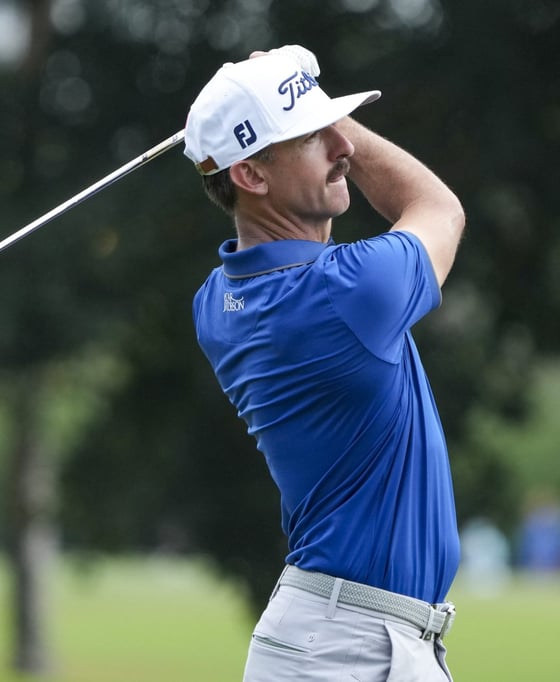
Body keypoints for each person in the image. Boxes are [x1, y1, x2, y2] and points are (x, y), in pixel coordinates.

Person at [185, 45, 466, 681]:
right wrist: (303, 96)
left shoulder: (217, 303)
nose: (344, 146)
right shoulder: (348, 294)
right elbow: (439, 208)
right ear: (252, 176)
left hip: (349, 637)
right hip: (349, 647)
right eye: (316, 136)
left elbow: (289, 242)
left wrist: (291, 99)